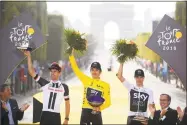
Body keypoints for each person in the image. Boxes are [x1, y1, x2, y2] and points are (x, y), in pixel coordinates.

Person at [22, 50, 70, 125]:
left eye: (55, 71)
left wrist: (66, 118)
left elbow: (67, 103)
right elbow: (31, 72)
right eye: (51, 71)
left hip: (56, 116)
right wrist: (29, 56)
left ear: (59, 73)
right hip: (45, 115)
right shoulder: (45, 84)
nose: (52, 73)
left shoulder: (64, 87)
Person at [69, 49, 111, 125]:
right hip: (85, 111)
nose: (94, 72)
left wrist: (100, 108)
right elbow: (75, 68)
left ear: (100, 72)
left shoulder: (105, 85)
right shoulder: (86, 80)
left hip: (97, 112)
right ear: (90, 71)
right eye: (92, 70)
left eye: (96, 70)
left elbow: (108, 103)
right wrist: (71, 54)